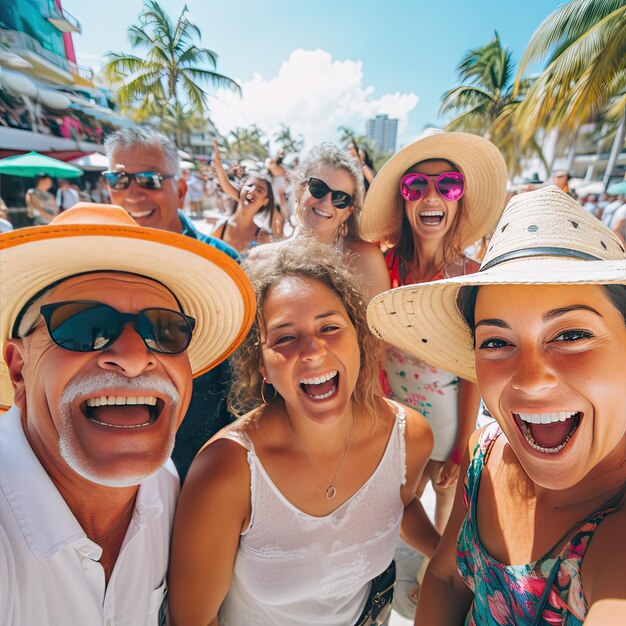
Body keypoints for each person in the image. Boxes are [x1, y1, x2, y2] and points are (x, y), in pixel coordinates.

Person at [367, 186, 626, 625]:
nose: (530, 379)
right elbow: (448, 579)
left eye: (570, 335)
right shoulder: (484, 451)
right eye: (496, 342)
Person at [0, 202, 254, 625]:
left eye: (164, 329)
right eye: (83, 327)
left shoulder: (164, 486)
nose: (135, 358)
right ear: (18, 369)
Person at [168, 237, 439, 626]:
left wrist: (449, 555)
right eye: (284, 338)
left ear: (360, 339)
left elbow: (400, 504)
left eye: (329, 327)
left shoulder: (409, 437)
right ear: (261, 366)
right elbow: (193, 619)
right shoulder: (227, 471)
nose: (312, 351)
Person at [360, 129, 507, 552]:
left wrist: (462, 445)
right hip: (388, 416)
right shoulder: (380, 265)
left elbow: (471, 370)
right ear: (402, 198)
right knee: (393, 509)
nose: (431, 196)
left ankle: (433, 581)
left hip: (447, 419)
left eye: (448, 185)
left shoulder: (473, 277)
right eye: (415, 185)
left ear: (459, 199)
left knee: (445, 506)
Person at [104, 127, 239, 480]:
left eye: (148, 179)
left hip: (201, 468)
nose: (132, 193)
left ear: (179, 189)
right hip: (117, 465)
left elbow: (245, 385)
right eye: (119, 179)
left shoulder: (225, 267)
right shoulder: (93, 265)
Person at [249, 142, 391, 302]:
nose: (326, 202)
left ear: (348, 212)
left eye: (340, 198)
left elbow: (376, 325)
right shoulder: (259, 258)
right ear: (300, 190)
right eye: (319, 188)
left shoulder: (365, 259)